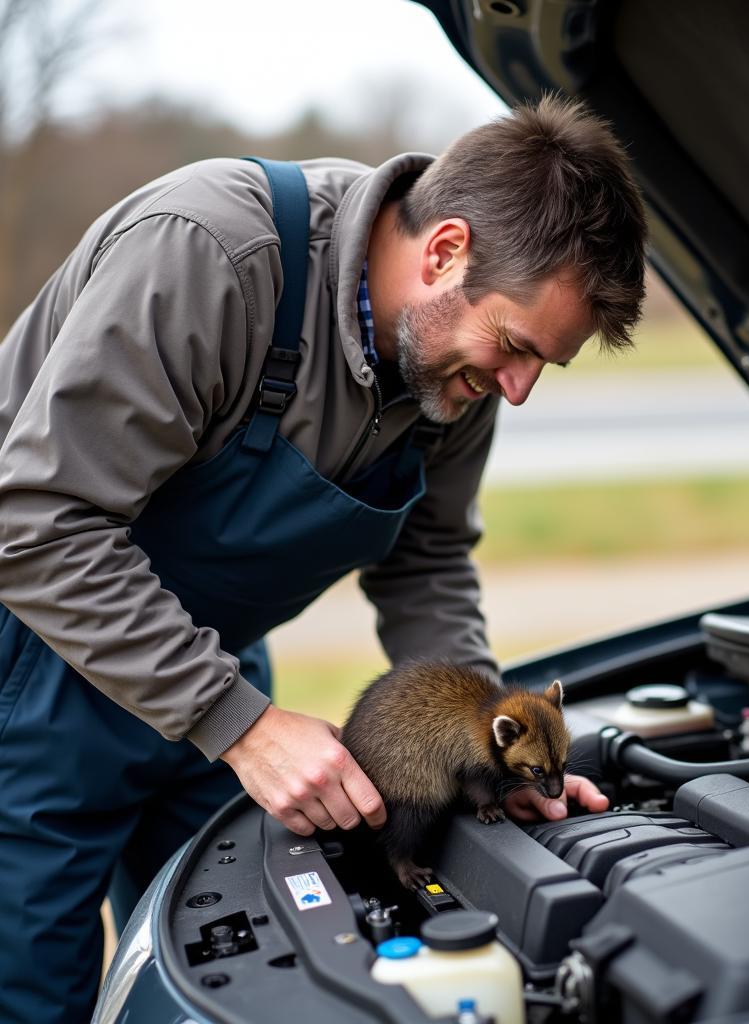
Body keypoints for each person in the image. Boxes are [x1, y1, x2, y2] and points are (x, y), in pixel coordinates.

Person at [0, 95, 647, 1022]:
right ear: (444, 251)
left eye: (542, 364)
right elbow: (36, 520)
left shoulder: (452, 381)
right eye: (513, 347)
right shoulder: (214, 257)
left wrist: (494, 749)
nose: (518, 387)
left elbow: (426, 562)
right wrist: (243, 726)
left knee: (235, 983)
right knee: (30, 994)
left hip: (210, 669)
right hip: (37, 671)